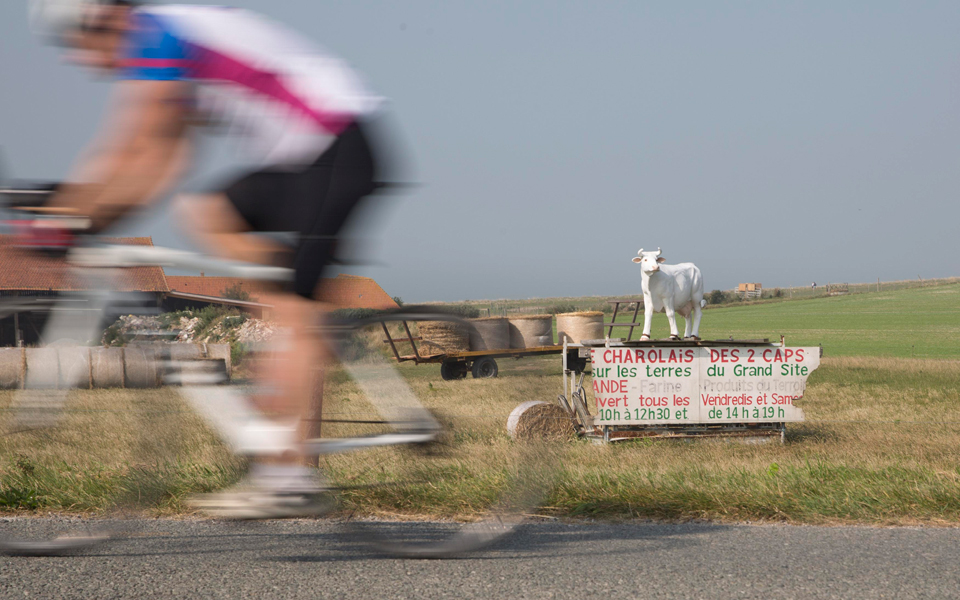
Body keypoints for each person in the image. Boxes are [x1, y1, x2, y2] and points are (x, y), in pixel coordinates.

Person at [25, 0, 392, 517]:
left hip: (336, 149)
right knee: (207, 213)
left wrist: (73, 216)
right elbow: (164, 159)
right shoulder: (167, 37)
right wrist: (82, 216)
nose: (75, 58)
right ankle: (297, 334)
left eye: (72, 41)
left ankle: (290, 475)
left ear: (101, 17)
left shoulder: (157, 33)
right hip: (311, 155)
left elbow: (141, 150)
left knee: (294, 306)